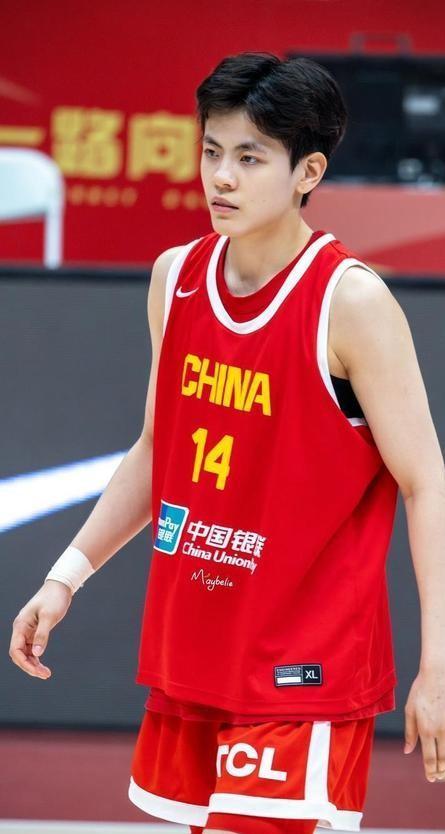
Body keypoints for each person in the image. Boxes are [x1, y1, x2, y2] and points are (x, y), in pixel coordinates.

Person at [9, 51, 445, 834]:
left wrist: (436, 666)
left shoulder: (349, 301)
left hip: (304, 670)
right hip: (197, 653)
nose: (220, 177)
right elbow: (157, 448)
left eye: (249, 158)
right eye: (211, 151)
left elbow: (425, 482)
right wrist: (65, 578)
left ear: (307, 171)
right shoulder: (174, 276)